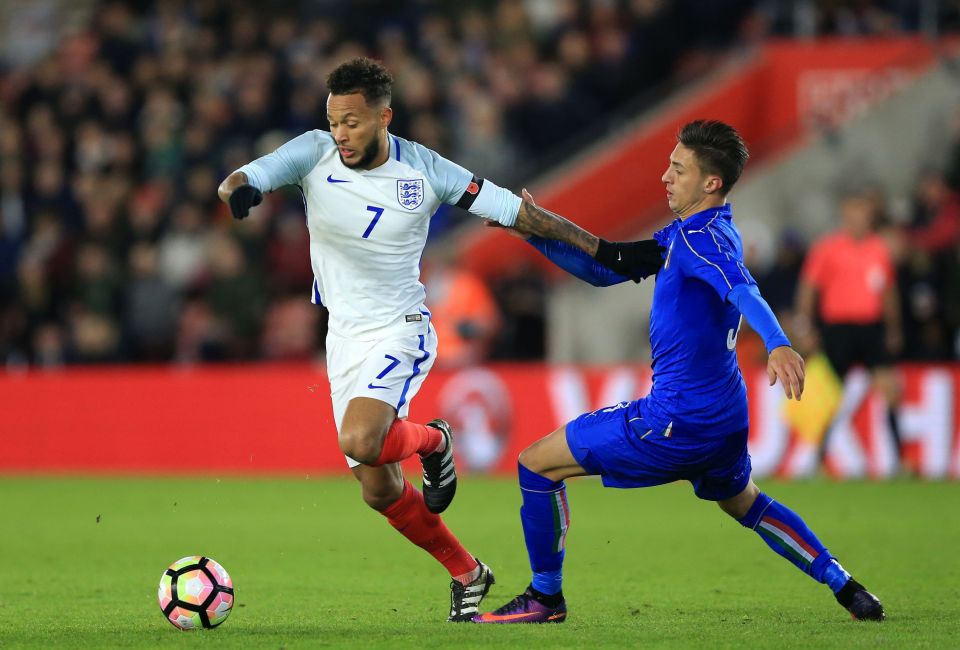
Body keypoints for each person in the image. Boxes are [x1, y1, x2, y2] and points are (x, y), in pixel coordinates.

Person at [473, 120, 885, 624]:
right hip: (725, 418)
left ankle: (545, 598)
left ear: (710, 183)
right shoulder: (699, 235)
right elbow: (607, 266)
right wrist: (532, 232)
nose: (665, 176)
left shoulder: (700, 243)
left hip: (675, 420)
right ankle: (844, 584)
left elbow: (743, 289)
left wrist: (778, 343)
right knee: (747, 504)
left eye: (678, 168)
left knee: (536, 464)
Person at [217, 58, 522, 621]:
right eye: (334, 121)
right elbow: (246, 174)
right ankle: (468, 572)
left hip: (398, 326)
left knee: (361, 440)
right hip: (343, 335)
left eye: (352, 122)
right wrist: (241, 191)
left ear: (384, 116)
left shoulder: (422, 170)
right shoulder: (313, 151)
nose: (341, 134)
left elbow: (506, 207)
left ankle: (433, 442)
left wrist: (600, 252)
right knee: (378, 490)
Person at [794, 192, 903, 466]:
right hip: (838, 330)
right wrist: (805, 326)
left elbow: (889, 292)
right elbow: (808, 289)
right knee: (829, 397)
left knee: (889, 389)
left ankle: (899, 460)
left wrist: (893, 328)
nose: (858, 221)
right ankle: (816, 459)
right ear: (844, 217)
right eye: (853, 215)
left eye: (863, 216)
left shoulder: (878, 248)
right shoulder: (827, 248)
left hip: (870, 329)